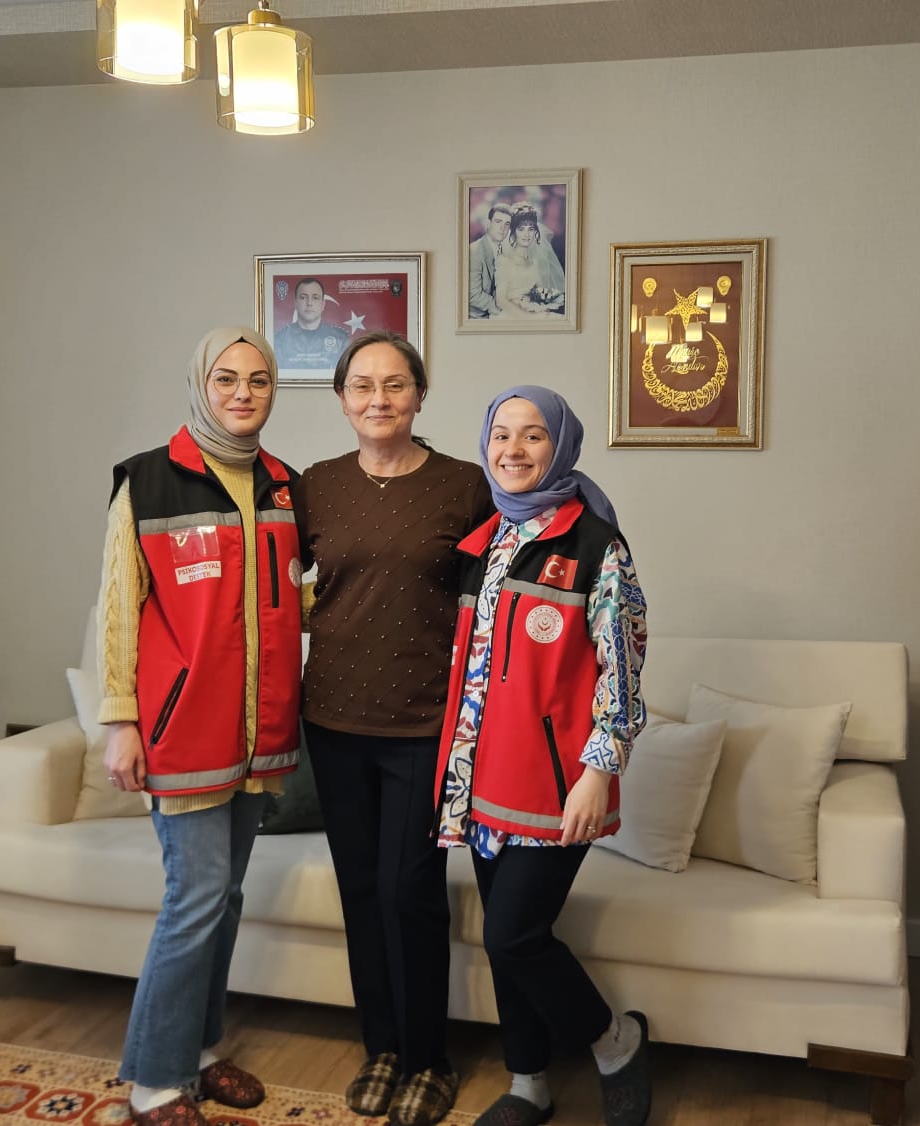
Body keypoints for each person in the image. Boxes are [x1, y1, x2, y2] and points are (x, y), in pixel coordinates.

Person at [98, 326, 304, 1126]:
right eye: (227, 379)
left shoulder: (285, 486)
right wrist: (121, 720)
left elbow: (295, 598)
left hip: (261, 731)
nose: (243, 393)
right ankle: (154, 1081)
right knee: (197, 895)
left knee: (226, 897)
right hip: (182, 727)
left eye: (258, 380)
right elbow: (120, 608)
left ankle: (201, 1049)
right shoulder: (148, 482)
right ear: (200, 384)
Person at [293, 331, 496, 1126]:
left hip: (424, 721)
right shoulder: (315, 485)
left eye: (395, 384)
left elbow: (495, 599)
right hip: (332, 718)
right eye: (362, 385)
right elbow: (283, 588)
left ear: (419, 394)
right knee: (361, 888)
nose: (378, 399)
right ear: (342, 398)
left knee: (411, 890)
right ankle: (381, 1048)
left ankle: (427, 1058)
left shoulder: (465, 486)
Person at [434, 387, 651, 1126]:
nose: (513, 450)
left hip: (558, 786)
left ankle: (615, 1040)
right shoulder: (483, 542)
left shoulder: (596, 546)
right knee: (507, 942)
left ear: (561, 446)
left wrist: (599, 770)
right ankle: (528, 1082)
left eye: (532, 435)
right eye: (501, 434)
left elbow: (623, 667)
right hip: (483, 781)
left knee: (512, 934)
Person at [493, 204, 566, 317]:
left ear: (536, 232)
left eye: (531, 229)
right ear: (513, 232)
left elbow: (538, 292)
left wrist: (543, 304)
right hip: (513, 315)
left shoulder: (534, 262)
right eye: (521, 229)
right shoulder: (505, 261)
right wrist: (529, 317)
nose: (526, 234)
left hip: (532, 309)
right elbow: (500, 300)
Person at [275, 278, 351, 368]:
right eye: (303, 297)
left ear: (323, 304)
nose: (309, 303)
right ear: (295, 303)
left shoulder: (340, 339)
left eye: (315, 298)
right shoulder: (280, 339)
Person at [468, 203, 513, 318]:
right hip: (478, 317)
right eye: (498, 222)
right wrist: (504, 311)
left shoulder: (507, 250)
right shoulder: (474, 251)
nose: (503, 228)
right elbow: (473, 295)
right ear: (488, 223)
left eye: (507, 224)